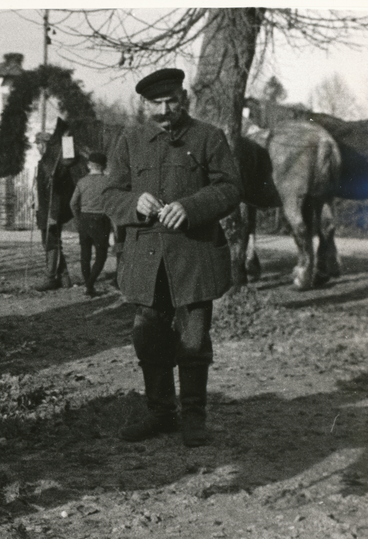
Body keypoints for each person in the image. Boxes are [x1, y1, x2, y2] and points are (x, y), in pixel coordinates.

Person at [102, 68, 240, 447]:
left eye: (171, 101)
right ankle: (160, 414)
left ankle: (194, 419)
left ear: (184, 98)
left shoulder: (209, 137)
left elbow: (230, 188)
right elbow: (109, 195)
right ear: (144, 105)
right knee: (149, 340)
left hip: (193, 257)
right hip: (145, 261)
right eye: (155, 104)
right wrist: (134, 202)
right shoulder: (129, 140)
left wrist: (191, 207)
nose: (164, 110)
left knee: (194, 341)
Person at [34, 132, 72, 291]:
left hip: (50, 212)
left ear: (44, 145)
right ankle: (64, 278)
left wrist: (52, 215)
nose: (37, 147)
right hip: (46, 210)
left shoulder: (50, 165)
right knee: (53, 243)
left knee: (51, 243)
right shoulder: (47, 163)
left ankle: (50, 278)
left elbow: (55, 193)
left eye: (38, 144)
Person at [70, 151, 111, 296]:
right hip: (101, 220)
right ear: (104, 166)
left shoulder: (82, 182)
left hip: (84, 219)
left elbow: (73, 203)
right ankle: (90, 284)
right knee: (101, 255)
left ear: (89, 166)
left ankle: (89, 285)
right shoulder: (108, 181)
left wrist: (78, 218)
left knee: (85, 255)